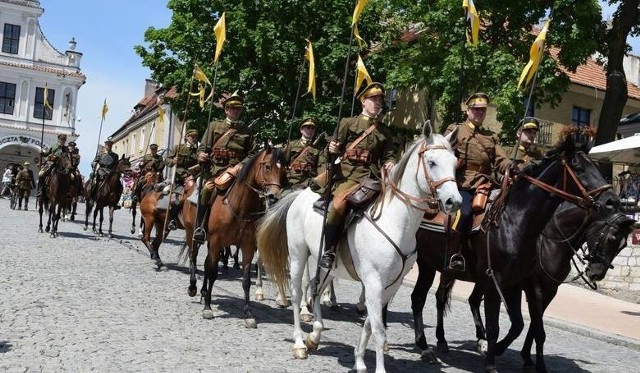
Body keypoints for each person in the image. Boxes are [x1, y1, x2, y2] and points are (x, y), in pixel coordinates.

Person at [318, 82, 400, 269]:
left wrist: (391, 162)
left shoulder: (385, 131)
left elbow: (389, 154)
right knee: (339, 203)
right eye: (373, 99)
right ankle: (329, 249)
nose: (377, 103)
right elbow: (332, 150)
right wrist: (331, 149)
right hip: (349, 175)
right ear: (364, 101)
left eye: (380, 100)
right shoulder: (348, 123)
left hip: (372, 177)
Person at [443, 92, 511, 272]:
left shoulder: (491, 136)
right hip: (463, 184)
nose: (479, 113)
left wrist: (510, 168)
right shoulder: (455, 129)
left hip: (486, 184)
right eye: (476, 110)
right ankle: (454, 254)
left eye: (482, 110)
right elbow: (443, 154)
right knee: (464, 213)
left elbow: (501, 159)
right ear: (468, 110)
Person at [193, 91, 257, 244]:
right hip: (216, 170)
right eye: (232, 108)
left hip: (237, 173)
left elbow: (253, 153)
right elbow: (202, 147)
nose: (235, 111)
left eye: (238, 109)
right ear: (226, 109)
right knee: (207, 189)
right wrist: (201, 154)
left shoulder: (247, 132)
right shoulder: (214, 126)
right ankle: (200, 226)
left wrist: (242, 164)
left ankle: (250, 231)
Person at [164, 128, 200, 230]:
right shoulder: (178, 148)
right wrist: (173, 161)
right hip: (180, 178)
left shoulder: (197, 151)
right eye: (192, 137)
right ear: (186, 137)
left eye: (195, 137)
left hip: (193, 177)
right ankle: (172, 219)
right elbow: (166, 160)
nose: (194, 139)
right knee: (178, 200)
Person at [283, 117, 322, 190]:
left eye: (313, 128)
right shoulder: (291, 145)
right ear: (301, 130)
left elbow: (320, 167)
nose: (310, 130)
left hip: (309, 182)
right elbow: (283, 162)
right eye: (308, 128)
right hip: (292, 180)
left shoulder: (317, 149)